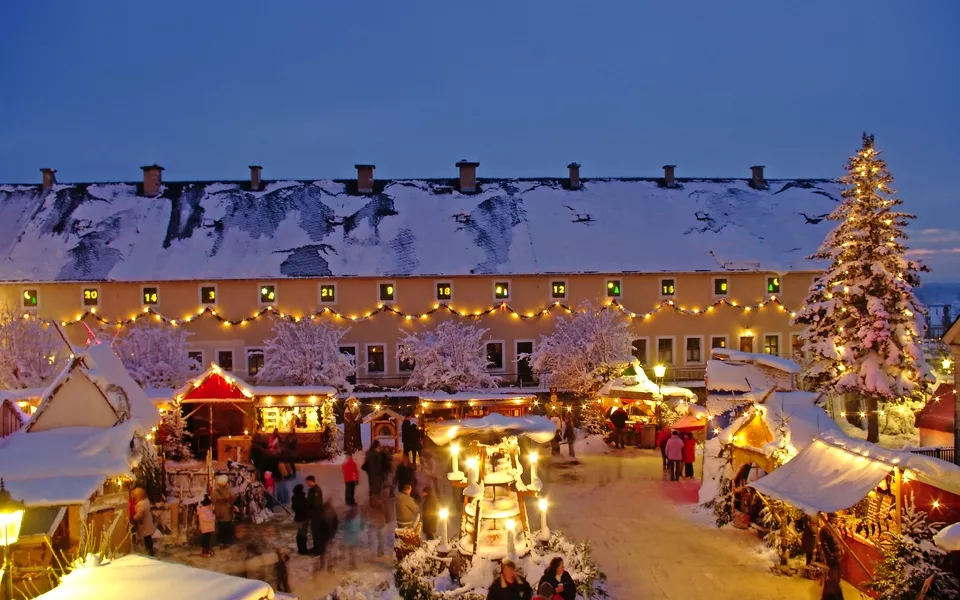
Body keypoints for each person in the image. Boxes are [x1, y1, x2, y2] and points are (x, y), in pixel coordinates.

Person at [820, 514, 845, 600]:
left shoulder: (835, 529)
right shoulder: (825, 530)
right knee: (832, 580)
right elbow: (825, 545)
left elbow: (839, 541)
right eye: (836, 520)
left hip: (838, 558)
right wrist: (831, 556)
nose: (838, 521)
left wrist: (841, 551)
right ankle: (828, 596)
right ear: (832, 520)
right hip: (833, 559)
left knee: (836, 579)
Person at [212, 475, 236, 548]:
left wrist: (229, 500)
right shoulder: (216, 491)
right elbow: (215, 500)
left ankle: (225, 542)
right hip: (221, 513)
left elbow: (232, 498)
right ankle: (224, 542)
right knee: (223, 528)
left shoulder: (227, 489)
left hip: (225, 513)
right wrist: (226, 499)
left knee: (225, 528)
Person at [132, 487, 156, 556]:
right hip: (148, 522)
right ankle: (150, 551)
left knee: (147, 539)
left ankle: (149, 552)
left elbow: (139, 515)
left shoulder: (141, 504)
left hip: (144, 524)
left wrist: (134, 518)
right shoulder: (146, 501)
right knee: (148, 538)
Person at [305, 475, 325, 553]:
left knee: (317, 533)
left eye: (307, 482)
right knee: (314, 533)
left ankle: (319, 549)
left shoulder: (316, 490)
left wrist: (311, 513)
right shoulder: (311, 490)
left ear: (311, 481)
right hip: (313, 516)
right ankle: (315, 547)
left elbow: (316, 505)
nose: (307, 483)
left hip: (317, 515)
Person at [342, 503, 365, 570]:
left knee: (351, 551)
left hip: (351, 537)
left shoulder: (349, 516)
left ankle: (351, 563)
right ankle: (351, 564)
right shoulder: (356, 517)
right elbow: (362, 526)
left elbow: (346, 526)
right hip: (352, 537)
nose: (358, 510)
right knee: (351, 551)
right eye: (357, 509)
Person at [318, 500, 339, 571]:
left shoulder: (321, 516)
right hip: (330, 537)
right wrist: (333, 535)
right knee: (329, 552)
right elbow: (336, 525)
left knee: (323, 553)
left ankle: (322, 566)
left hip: (323, 538)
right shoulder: (334, 514)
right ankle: (329, 567)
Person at [291, 483, 310, 555]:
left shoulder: (294, 498)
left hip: (297, 519)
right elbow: (307, 507)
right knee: (303, 535)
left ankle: (300, 549)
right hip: (304, 519)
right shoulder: (302, 499)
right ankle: (304, 550)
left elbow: (293, 508)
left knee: (299, 534)